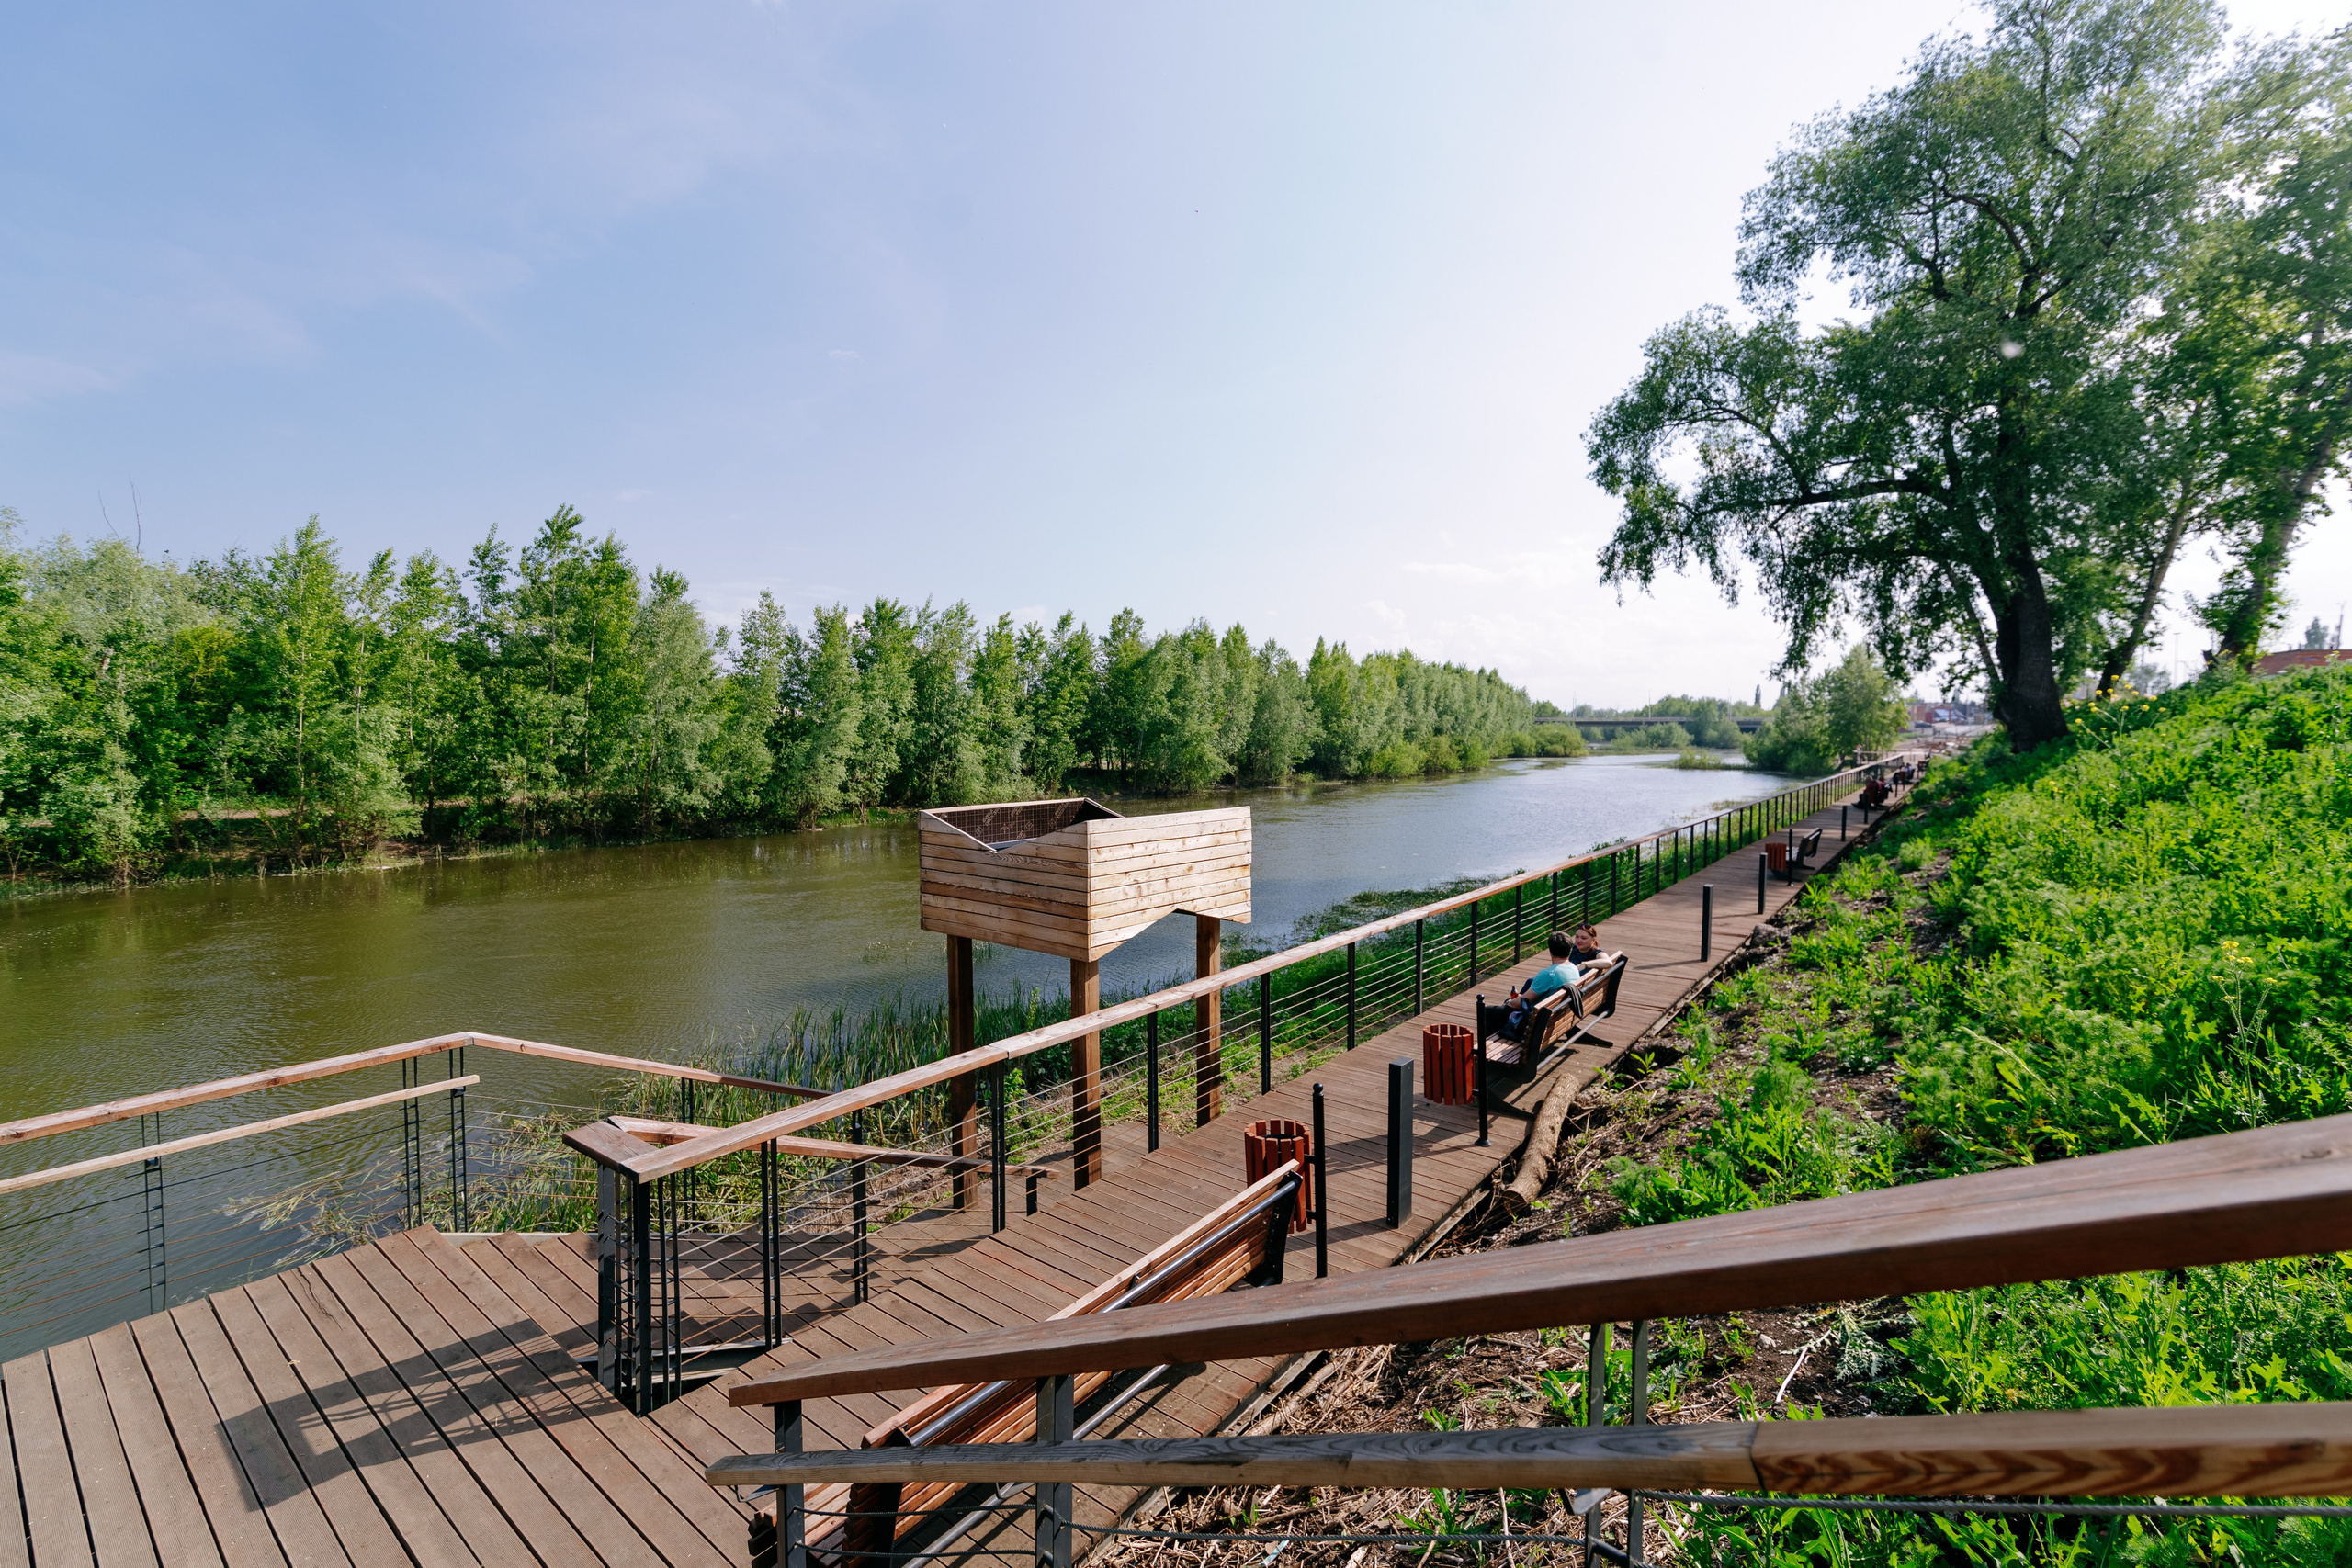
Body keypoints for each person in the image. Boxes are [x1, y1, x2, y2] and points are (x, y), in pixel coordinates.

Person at [1501, 932, 1583, 1036]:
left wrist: (1509, 1002)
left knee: (1489, 1012)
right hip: (1559, 1016)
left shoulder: (1549, 974)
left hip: (1539, 1024)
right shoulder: (1574, 968)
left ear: (1550, 951)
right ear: (1570, 950)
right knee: (1531, 981)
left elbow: (1518, 1003)